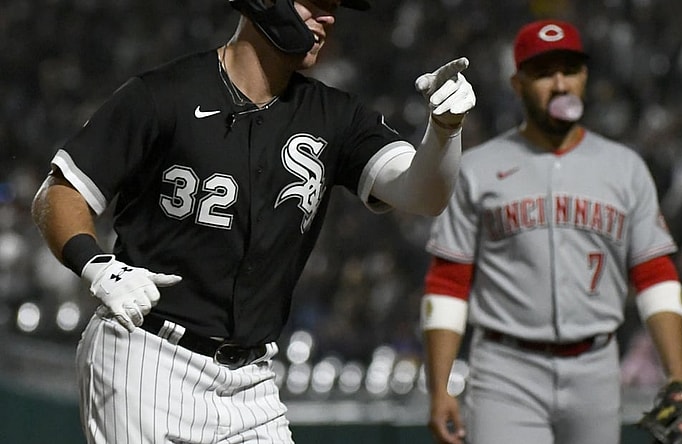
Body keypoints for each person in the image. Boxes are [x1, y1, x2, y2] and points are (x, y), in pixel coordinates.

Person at [30, 1, 475, 443]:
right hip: (148, 357)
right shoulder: (163, 94)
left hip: (252, 380)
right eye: (315, 3)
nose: (330, 18)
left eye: (333, 6)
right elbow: (61, 191)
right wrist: (97, 266)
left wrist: (444, 131)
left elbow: (423, 194)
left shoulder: (335, 115)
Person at [419, 19, 682, 444]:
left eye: (570, 70)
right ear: (517, 83)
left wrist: (679, 376)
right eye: (543, 72)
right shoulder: (477, 168)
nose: (560, 84)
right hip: (506, 370)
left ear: (585, 76)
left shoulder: (624, 167)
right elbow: (448, 281)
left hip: (595, 367)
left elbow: (655, 274)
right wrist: (440, 387)